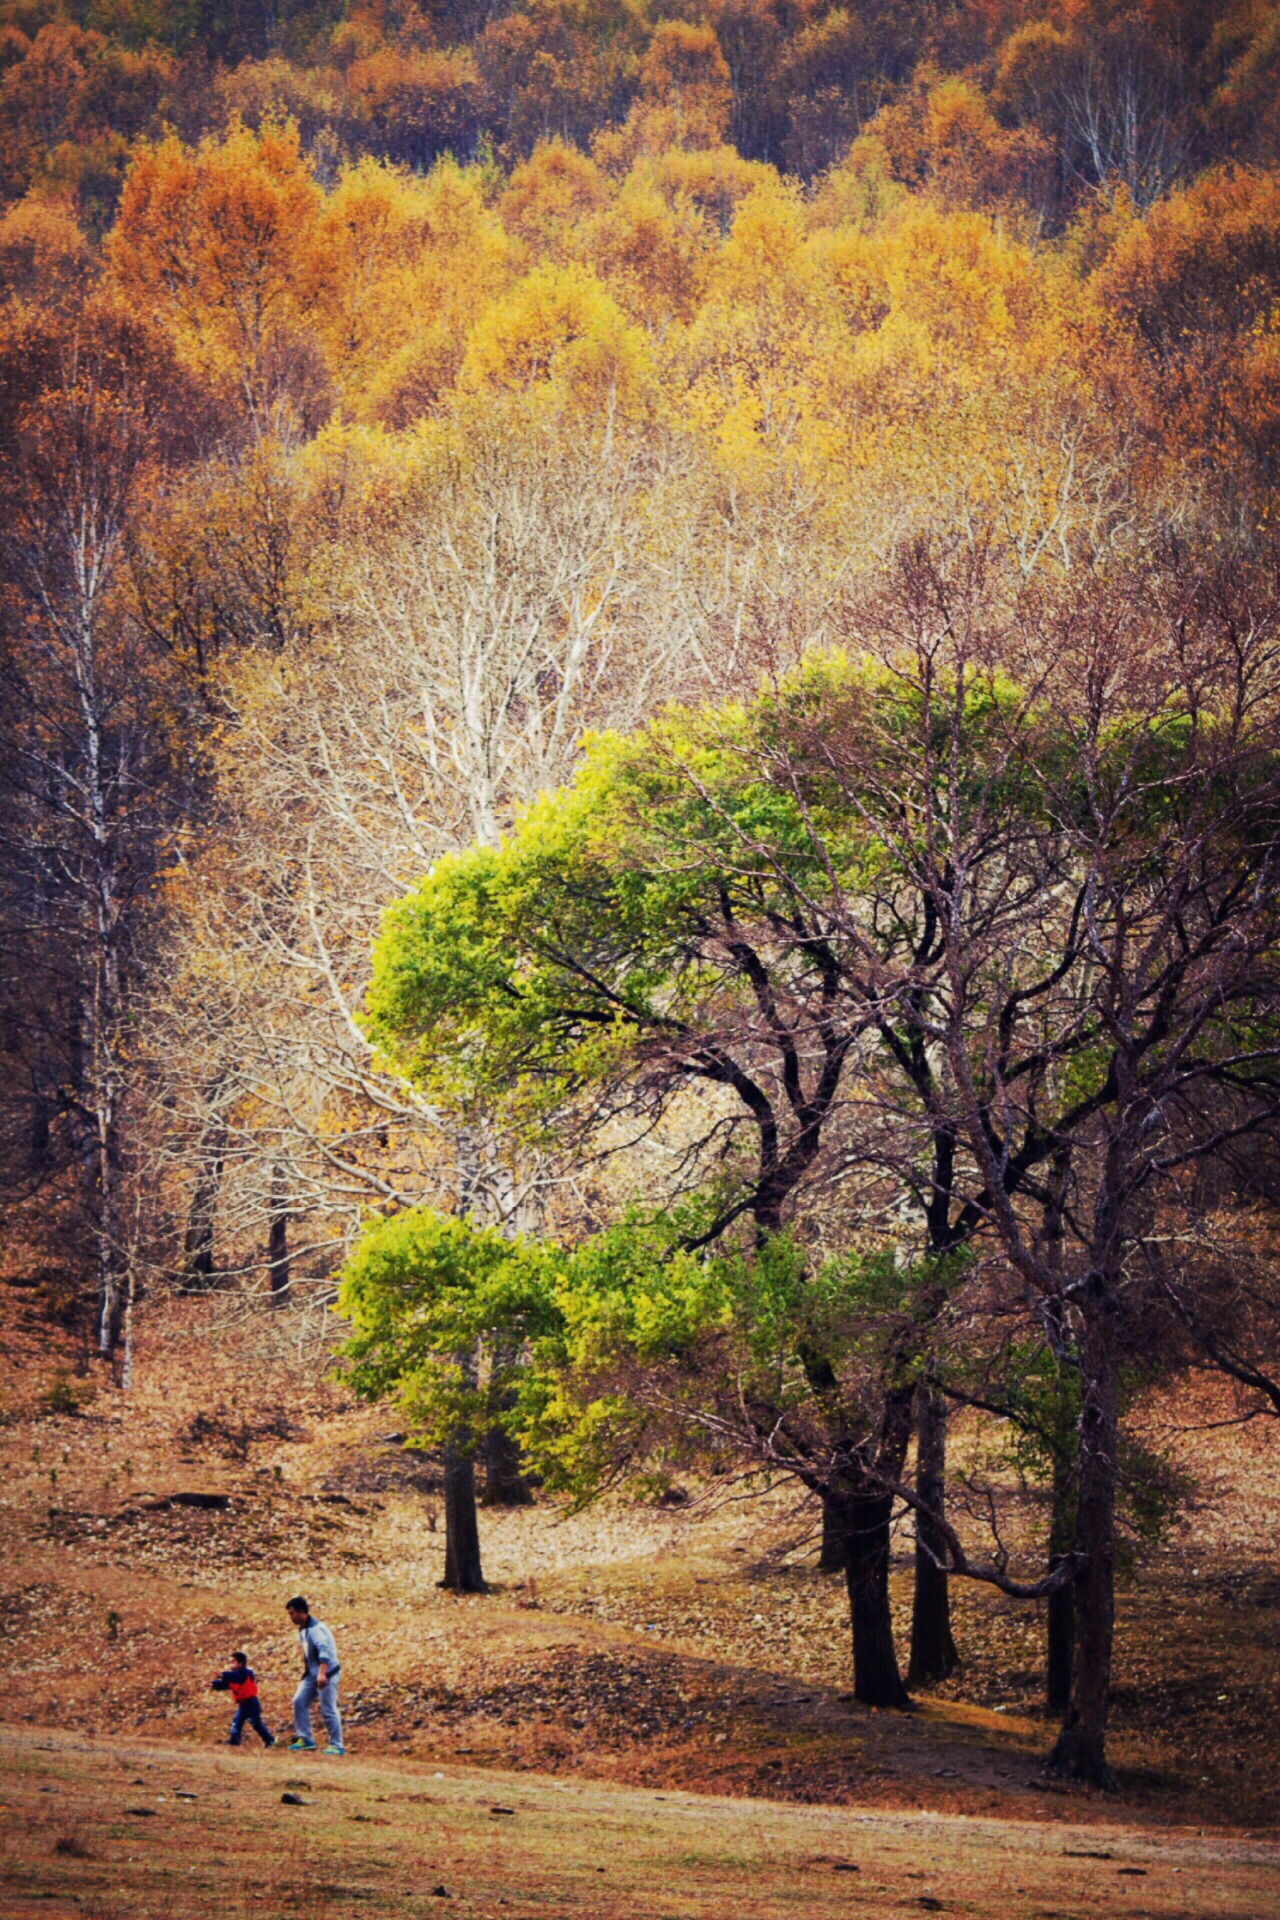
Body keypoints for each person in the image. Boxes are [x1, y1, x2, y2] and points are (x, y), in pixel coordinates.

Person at [286, 1595, 344, 1755]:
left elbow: (325, 1650)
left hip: (327, 1673)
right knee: (299, 1701)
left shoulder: (316, 1629)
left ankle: (336, 1745)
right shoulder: (303, 1629)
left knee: (328, 1709)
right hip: (312, 1674)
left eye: (292, 1613)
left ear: (301, 1612)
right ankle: (305, 1739)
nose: (290, 1617)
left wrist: (322, 1674)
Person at [210, 1651, 275, 1748]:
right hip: (243, 1704)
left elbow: (235, 1677)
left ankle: (270, 1740)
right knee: (237, 1721)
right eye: (230, 1662)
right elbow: (226, 1684)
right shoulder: (234, 1676)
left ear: (240, 1663)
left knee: (256, 1723)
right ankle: (234, 1740)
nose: (230, 1665)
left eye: (233, 1662)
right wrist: (213, 1684)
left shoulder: (245, 1673)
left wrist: (223, 1675)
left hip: (251, 1702)